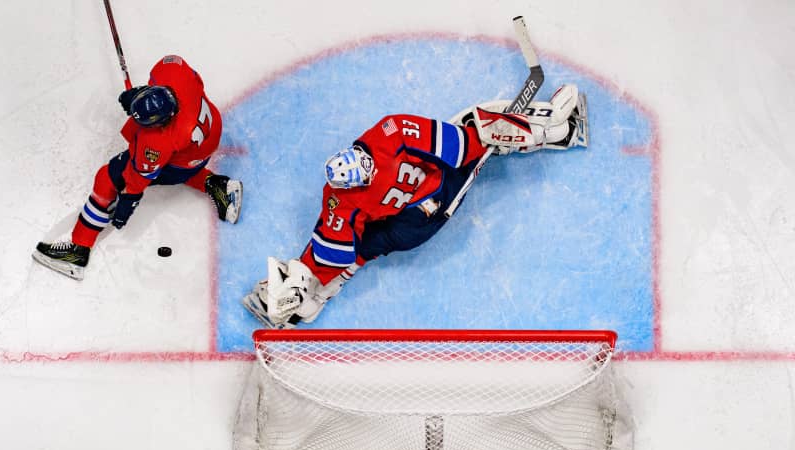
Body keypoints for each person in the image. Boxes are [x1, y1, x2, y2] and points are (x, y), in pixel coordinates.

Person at [243, 84, 588, 328]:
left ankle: (305, 303)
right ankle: (561, 130)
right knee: (478, 126)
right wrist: (490, 136)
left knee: (355, 249)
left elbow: (335, 251)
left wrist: (308, 273)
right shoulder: (389, 133)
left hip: (409, 222)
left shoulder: (338, 199)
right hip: (428, 209)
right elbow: (460, 145)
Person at [32, 54, 242, 280]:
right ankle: (220, 187)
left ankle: (78, 250)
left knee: (106, 178)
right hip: (209, 137)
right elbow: (190, 76)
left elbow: (137, 179)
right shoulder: (175, 71)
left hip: (183, 159)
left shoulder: (158, 143)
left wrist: (127, 203)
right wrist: (139, 94)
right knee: (180, 168)